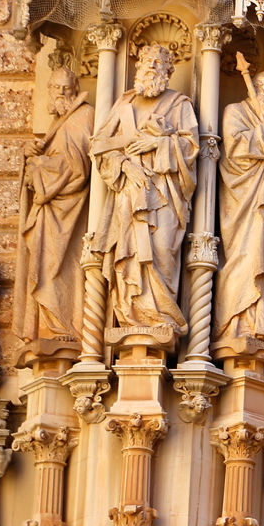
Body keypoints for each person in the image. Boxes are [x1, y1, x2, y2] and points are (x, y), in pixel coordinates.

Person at [92, 44, 199, 335]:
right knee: (128, 254)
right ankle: (131, 315)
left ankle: (161, 314)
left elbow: (191, 147)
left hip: (165, 194)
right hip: (129, 192)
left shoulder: (179, 105)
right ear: (138, 65)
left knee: (162, 248)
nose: (152, 66)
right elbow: (100, 147)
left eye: (159, 62)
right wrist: (126, 166)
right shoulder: (124, 105)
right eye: (147, 61)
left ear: (169, 70)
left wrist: (158, 143)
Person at [17, 60, 94, 359]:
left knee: (59, 268)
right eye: (56, 88)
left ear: (75, 91)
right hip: (49, 214)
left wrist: (40, 167)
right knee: (44, 266)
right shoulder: (58, 122)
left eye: (66, 88)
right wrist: (33, 157)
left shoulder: (83, 116)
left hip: (69, 214)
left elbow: (78, 169)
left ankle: (66, 328)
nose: (60, 93)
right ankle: (48, 327)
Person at [214, 52, 264, 342]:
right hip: (243, 199)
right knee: (244, 257)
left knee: (263, 257)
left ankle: (258, 325)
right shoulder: (235, 111)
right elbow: (234, 150)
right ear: (258, 88)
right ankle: (233, 324)